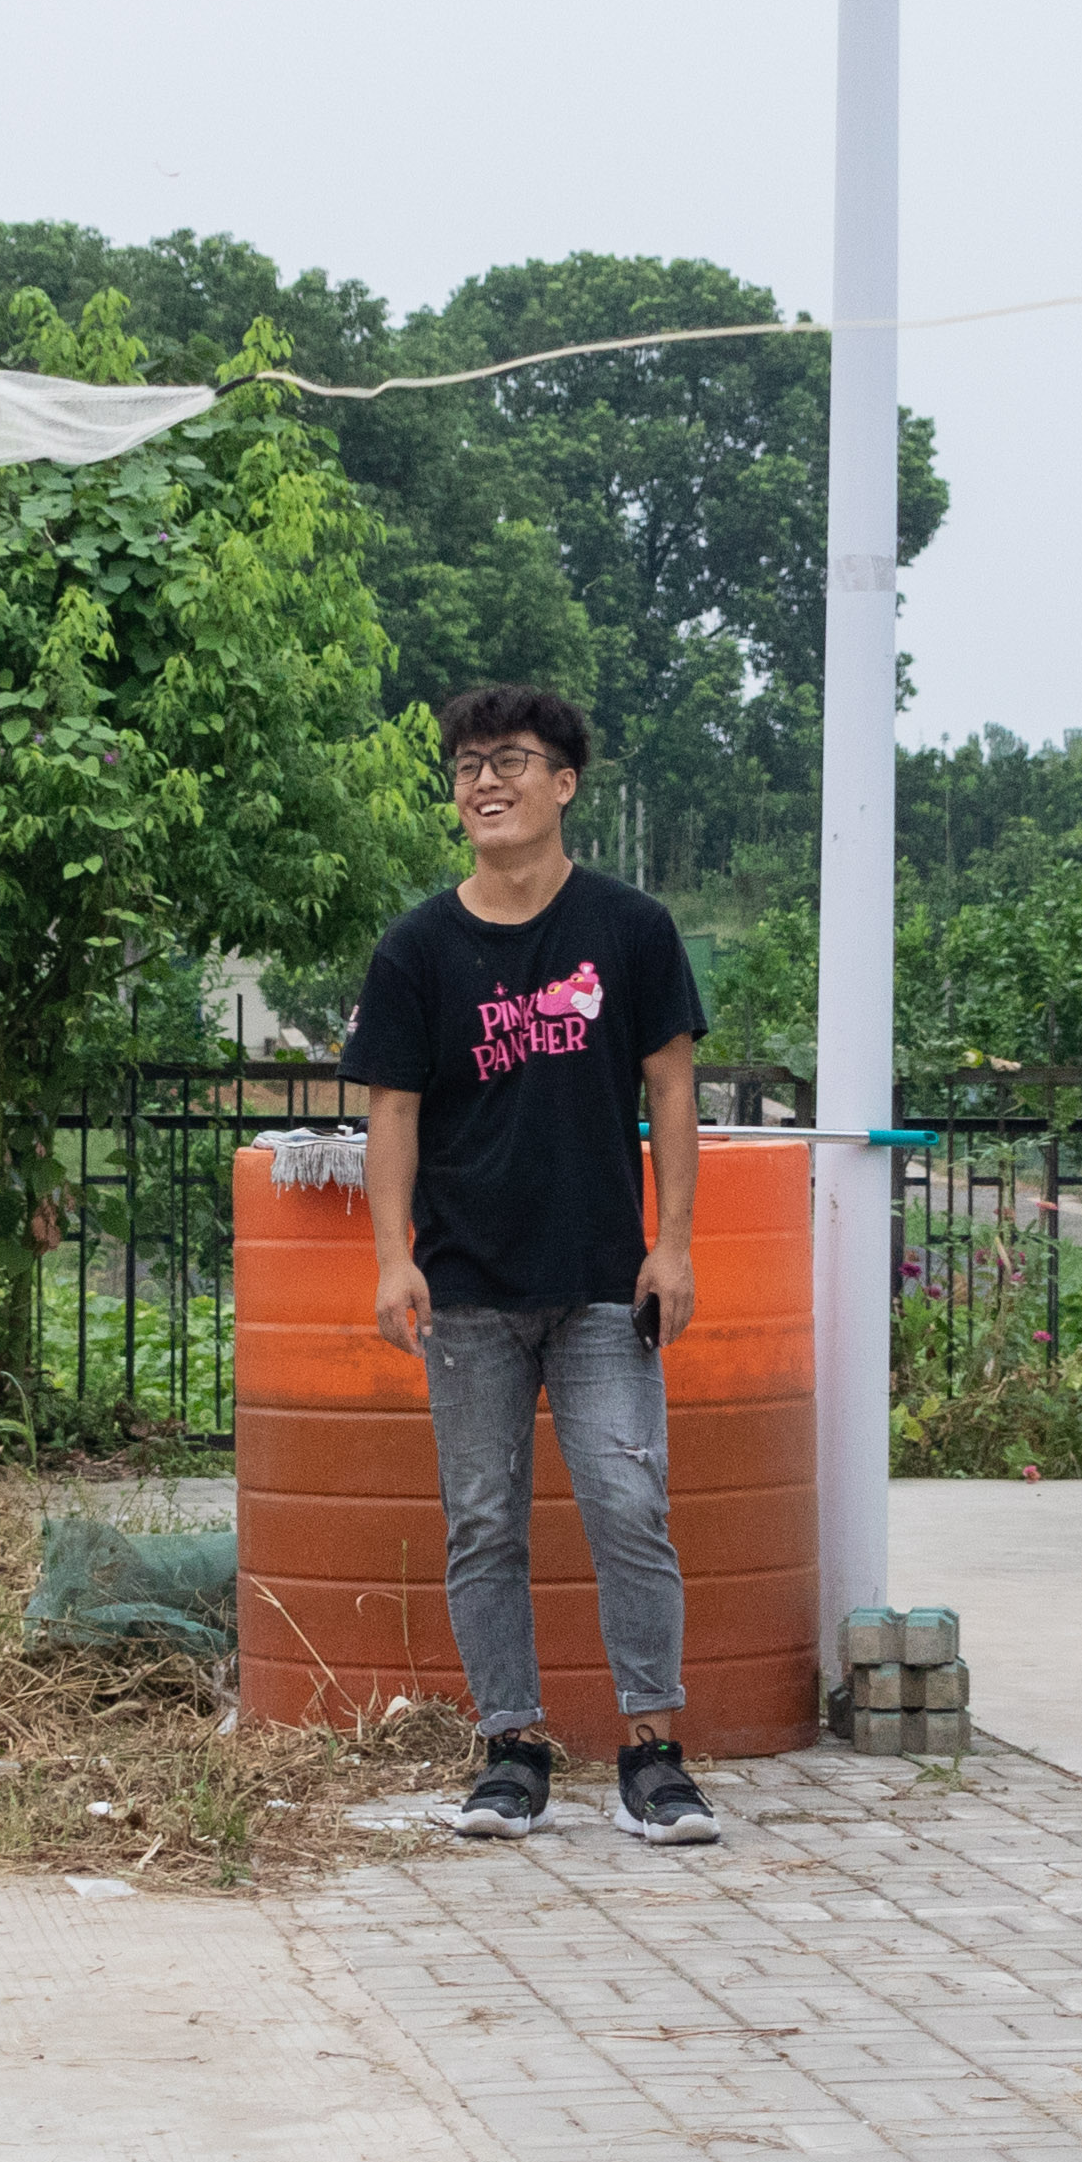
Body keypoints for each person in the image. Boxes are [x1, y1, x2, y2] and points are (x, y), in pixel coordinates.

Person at [344, 684, 720, 1849]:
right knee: (483, 1521)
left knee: (627, 1506)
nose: (485, 781)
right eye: (466, 765)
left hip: (608, 1279)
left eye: (511, 760)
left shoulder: (631, 929)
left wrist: (675, 1242)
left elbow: (671, 1089)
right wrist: (390, 1261)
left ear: (564, 784)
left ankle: (654, 1753)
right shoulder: (417, 947)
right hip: (465, 1288)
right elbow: (392, 1114)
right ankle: (511, 1751)